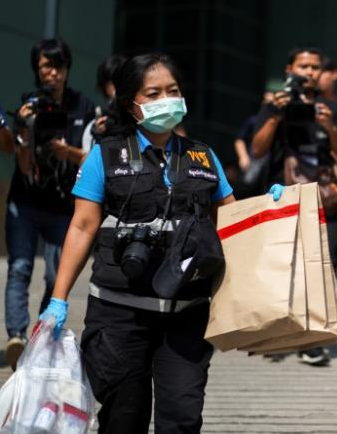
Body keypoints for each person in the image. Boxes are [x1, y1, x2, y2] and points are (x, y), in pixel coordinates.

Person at [38, 53, 235, 433]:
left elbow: (232, 218)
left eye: (173, 91)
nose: (167, 100)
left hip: (186, 313)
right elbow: (82, 226)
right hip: (118, 316)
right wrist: (57, 300)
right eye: (154, 93)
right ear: (132, 104)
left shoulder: (204, 156)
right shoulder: (105, 156)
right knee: (122, 420)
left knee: (182, 417)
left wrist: (275, 208)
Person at [252, 47, 337, 366]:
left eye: (314, 67)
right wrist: (277, 115)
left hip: (324, 199)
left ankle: (312, 338)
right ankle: (283, 335)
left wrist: (328, 125)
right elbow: (257, 149)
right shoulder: (275, 104)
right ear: (289, 69)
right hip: (282, 199)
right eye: (303, 66)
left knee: (324, 268)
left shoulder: (334, 108)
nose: (309, 72)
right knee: (283, 268)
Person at [3, 38, 96, 370]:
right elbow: (25, 166)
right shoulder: (30, 104)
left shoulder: (83, 107)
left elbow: (90, 157)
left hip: (62, 206)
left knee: (57, 275)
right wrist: (24, 131)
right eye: (45, 66)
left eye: (57, 66)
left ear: (67, 68)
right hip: (25, 202)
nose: (52, 73)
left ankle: (40, 336)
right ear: (37, 71)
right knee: (19, 267)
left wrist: (66, 152)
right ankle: (16, 336)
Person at [83, 54, 127, 149]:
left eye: (122, 80)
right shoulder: (95, 125)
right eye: (113, 82)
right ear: (104, 86)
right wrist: (99, 135)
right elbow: (88, 160)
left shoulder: (139, 118)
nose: (119, 86)